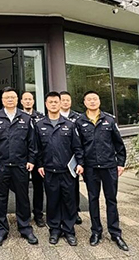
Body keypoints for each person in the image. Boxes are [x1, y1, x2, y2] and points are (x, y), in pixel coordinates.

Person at [76, 91, 128, 251]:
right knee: (93, 199)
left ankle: (115, 233)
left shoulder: (109, 120)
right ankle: (96, 231)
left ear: (99, 101)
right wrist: (80, 164)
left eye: (95, 99)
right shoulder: (79, 121)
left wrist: (120, 163)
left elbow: (119, 144)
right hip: (90, 168)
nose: (92, 101)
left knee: (111, 199)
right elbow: (78, 146)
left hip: (109, 166)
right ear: (85, 102)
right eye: (89, 99)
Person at [0, 87, 38, 246]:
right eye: (7, 97)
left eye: (13, 97)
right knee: (0, 198)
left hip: (21, 165)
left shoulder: (26, 118)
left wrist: (31, 160)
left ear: (17, 100)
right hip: (1, 165)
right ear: (2, 100)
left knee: (23, 197)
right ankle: (1, 229)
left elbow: (32, 142)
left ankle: (25, 228)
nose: (10, 100)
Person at [35, 92, 84, 246]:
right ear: (46, 104)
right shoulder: (39, 125)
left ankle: (69, 230)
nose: (54, 104)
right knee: (53, 201)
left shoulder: (70, 124)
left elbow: (77, 147)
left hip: (67, 171)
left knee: (69, 201)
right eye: (50, 102)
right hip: (49, 171)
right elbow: (37, 149)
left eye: (56, 102)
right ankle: (55, 230)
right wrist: (40, 165)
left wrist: (80, 163)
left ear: (60, 103)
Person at [21, 91, 46, 227]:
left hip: (38, 157)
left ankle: (38, 214)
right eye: (25, 99)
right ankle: (24, 215)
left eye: (30, 99)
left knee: (38, 187)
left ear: (33, 101)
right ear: (21, 101)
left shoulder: (40, 117)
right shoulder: (18, 116)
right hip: (23, 157)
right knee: (22, 188)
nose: (28, 101)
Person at [59, 91, 83, 224]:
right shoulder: (52, 116)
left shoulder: (78, 118)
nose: (65, 102)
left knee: (74, 187)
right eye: (63, 100)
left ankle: (75, 212)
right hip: (58, 157)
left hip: (73, 158)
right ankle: (61, 212)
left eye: (68, 100)